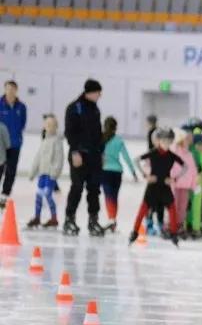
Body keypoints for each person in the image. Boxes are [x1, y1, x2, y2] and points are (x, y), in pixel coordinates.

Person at [129, 127, 183, 248]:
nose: (166, 143)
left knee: (172, 210)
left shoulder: (171, 155)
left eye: (169, 141)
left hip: (165, 186)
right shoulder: (153, 153)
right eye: (164, 140)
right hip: (152, 187)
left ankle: (174, 234)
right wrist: (145, 175)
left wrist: (174, 179)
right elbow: (136, 160)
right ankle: (134, 232)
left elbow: (185, 166)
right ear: (158, 141)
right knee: (142, 210)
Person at [63, 78, 104, 236]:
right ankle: (69, 219)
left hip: (94, 156)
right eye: (98, 93)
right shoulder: (74, 108)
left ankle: (93, 221)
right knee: (77, 188)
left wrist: (101, 152)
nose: (99, 96)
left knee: (94, 190)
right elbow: (70, 132)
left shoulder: (95, 109)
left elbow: (98, 134)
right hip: (79, 155)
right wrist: (74, 152)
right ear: (90, 92)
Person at [99, 116, 137, 232]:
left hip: (105, 171)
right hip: (117, 172)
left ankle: (111, 220)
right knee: (114, 197)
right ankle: (113, 222)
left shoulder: (100, 139)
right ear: (116, 127)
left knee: (108, 197)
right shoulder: (119, 140)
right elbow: (126, 157)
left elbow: (96, 155)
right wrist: (133, 172)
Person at [26, 114, 63, 229]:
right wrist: (32, 172)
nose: (49, 127)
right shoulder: (44, 141)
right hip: (42, 174)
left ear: (56, 127)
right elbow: (38, 158)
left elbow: (59, 158)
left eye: (52, 125)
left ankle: (54, 218)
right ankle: (37, 217)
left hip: (50, 175)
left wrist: (54, 173)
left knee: (47, 194)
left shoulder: (57, 141)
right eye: (47, 125)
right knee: (39, 195)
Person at [0, 79, 26, 204]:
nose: (10, 91)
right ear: (5, 90)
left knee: (11, 170)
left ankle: (4, 195)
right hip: (1, 145)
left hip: (15, 144)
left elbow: (22, 124)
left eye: (12, 89)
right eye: (8, 89)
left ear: (16, 91)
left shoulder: (21, 107)